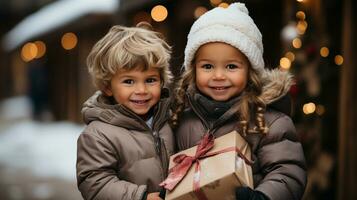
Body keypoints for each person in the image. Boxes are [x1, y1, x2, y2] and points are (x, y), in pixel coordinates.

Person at [172, 3, 307, 200]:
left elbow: (288, 171)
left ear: (250, 70)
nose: (218, 75)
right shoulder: (182, 117)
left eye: (231, 66)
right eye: (207, 66)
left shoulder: (268, 121)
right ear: (193, 69)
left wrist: (263, 196)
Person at [76, 22, 174, 200]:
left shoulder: (168, 119)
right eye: (129, 81)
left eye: (150, 80)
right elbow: (95, 183)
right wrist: (140, 197)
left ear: (161, 81)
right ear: (108, 87)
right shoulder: (98, 135)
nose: (142, 90)